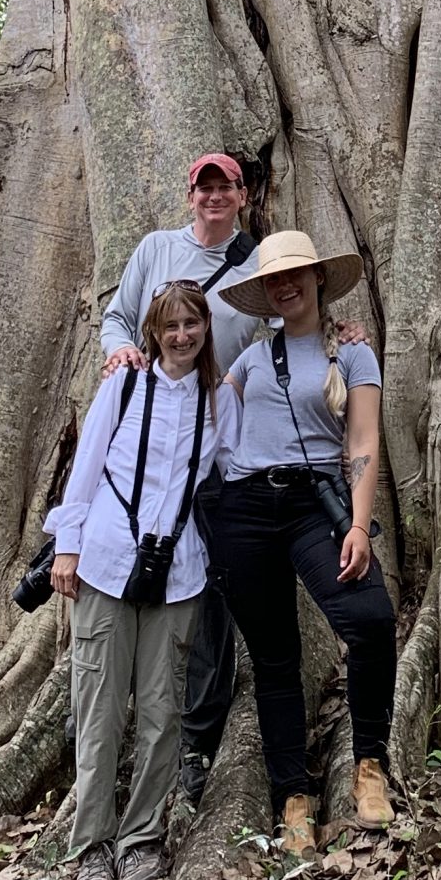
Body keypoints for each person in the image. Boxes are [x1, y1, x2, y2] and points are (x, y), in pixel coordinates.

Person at [47, 280, 235, 880]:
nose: (181, 336)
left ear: (206, 328)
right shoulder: (124, 385)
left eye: (192, 325)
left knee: (161, 710)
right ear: (152, 333)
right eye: (169, 327)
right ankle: (91, 845)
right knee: (98, 706)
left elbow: (233, 467)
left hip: (179, 569)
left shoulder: (216, 400)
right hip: (105, 559)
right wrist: (67, 545)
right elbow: (87, 465)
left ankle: (141, 840)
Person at [211, 228, 396, 854]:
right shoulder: (250, 360)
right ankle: (293, 797)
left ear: (319, 277)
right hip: (244, 509)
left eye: (296, 273)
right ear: (264, 292)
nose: (285, 285)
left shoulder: (353, 353)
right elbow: (201, 409)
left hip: (315, 507)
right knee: (274, 658)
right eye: (273, 279)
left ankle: (368, 766)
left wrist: (358, 525)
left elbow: (364, 440)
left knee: (370, 620)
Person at [97, 153, 261, 804]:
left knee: (208, 601)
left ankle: (194, 744)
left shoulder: (256, 266)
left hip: (218, 453)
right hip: (147, 451)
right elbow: (116, 317)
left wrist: (341, 338)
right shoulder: (156, 250)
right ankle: (124, 747)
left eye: (226, 186)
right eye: (204, 187)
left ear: (245, 194)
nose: (214, 196)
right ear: (190, 194)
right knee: (134, 588)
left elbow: (285, 328)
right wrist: (120, 351)